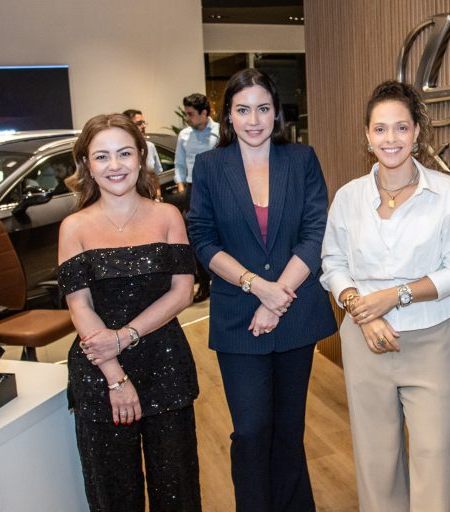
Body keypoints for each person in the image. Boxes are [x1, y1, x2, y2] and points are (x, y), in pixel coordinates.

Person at [321, 80, 450, 512]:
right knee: (377, 458)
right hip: (364, 341)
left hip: (430, 341)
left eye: (401, 128)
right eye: (381, 129)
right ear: (367, 136)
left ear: (417, 133)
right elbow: (333, 264)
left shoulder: (447, 194)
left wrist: (395, 296)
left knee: (431, 456)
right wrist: (363, 312)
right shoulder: (349, 198)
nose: (391, 139)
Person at [187, 68, 336, 512]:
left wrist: (278, 296)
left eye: (264, 108)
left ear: (277, 112)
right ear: (228, 116)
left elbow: (315, 231)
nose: (254, 120)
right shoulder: (211, 166)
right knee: (251, 429)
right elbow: (203, 238)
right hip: (238, 316)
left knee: (289, 429)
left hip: (295, 313)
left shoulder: (301, 158)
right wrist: (257, 287)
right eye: (243, 109)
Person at [58, 113, 201, 511]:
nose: (115, 165)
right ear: (86, 164)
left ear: (141, 157)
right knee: (114, 494)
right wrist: (116, 378)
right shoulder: (74, 227)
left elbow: (182, 292)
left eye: (124, 153)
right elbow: (79, 305)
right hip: (100, 372)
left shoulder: (167, 216)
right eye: (102, 156)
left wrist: (124, 336)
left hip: (165, 365)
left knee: (178, 488)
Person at [175, 93, 219, 302]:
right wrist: (182, 187)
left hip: (218, 189)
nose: (187, 118)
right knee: (196, 238)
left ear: (204, 113)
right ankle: (203, 284)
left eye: (191, 114)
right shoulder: (184, 135)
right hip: (193, 190)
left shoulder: (221, 133)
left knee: (220, 236)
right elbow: (180, 164)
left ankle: (223, 279)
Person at [123, 108, 163, 174]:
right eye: (139, 123)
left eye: (144, 123)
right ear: (127, 126)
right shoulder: (121, 150)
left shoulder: (149, 146)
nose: (143, 126)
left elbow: (158, 173)